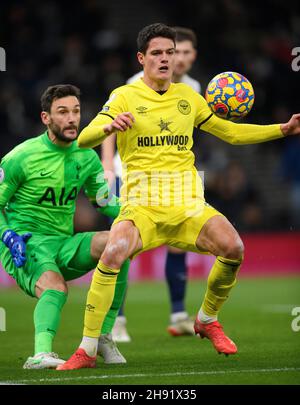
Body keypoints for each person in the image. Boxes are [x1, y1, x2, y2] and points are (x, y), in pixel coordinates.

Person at [58, 23, 300, 370]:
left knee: (234, 248)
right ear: (142, 58)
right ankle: (87, 348)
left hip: (187, 204)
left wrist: (283, 129)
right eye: (156, 53)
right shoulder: (123, 96)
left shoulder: (188, 97)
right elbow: (84, 138)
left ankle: (205, 319)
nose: (164, 59)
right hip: (142, 205)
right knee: (112, 252)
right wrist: (108, 126)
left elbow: (230, 132)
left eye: (170, 52)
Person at [0, 84, 129, 369]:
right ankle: (40, 354)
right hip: (24, 243)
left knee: (120, 242)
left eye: (76, 111)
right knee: (56, 288)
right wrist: (6, 234)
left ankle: (103, 334)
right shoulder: (21, 157)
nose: (72, 118)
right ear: (46, 118)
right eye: (62, 112)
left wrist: (143, 214)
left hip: (63, 243)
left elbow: (104, 202)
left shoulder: (85, 155)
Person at [101, 27, 200, 341]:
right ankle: (117, 320)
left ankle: (178, 314)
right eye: (172, 52)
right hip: (131, 177)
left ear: (192, 56)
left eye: (181, 52)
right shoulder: (134, 85)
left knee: (177, 243)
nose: (176, 59)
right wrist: (107, 166)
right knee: (123, 247)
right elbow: (111, 126)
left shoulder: (193, 88)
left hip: (173, 179)